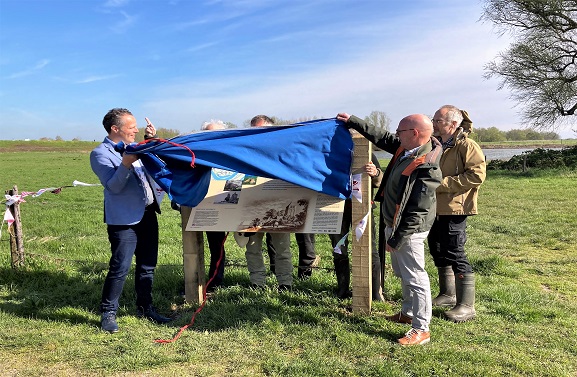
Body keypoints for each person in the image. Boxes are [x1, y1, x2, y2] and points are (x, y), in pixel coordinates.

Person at [337, 112, 442, 346]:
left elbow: (418, 211)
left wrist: (398, 238)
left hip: (407, 230)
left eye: (400, 131)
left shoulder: (427, 166)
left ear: (414, 134)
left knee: (415, 276)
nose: (395, 135)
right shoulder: (405, 150)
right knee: (404, 273)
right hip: (393, 224)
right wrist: (354, 120)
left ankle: (421, 328)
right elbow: (381, 136)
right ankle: (407, 313)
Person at [90, 108, 171, 333]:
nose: (136, 129)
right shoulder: (100, 154)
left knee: (147, 266)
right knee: (120, 268)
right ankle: (108, 313)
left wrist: (150, 140)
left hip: (147, 214)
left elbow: (158, 165)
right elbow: (113, 186)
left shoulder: (137, 148)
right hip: (123, 220)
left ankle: (146, 307)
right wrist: (125, 163)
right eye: (131, 126)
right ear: (115, 129)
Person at [428, 105, 486, 322]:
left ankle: (466, 306)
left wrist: (441, 184)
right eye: (434, 120)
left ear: (453, 124)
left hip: (454, 207)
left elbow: (477, 175)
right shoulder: (435, 143)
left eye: (438, 121)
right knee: (437, 248)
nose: (434, 124)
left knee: (454, 251)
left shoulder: (467, 146)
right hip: (434, 207)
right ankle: (448, 294)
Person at [249, 115, 318, 282]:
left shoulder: (285, 151)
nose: (259, 135)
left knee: (283, 248)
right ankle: (257, 282)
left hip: (280, 205)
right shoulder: (246, 152)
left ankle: (285, 282)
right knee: (252, 248)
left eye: (263, 130)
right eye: (254, 131)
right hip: (251, 207)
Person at [329, 156, 385, 301]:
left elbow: (380, 179)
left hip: (362, 207)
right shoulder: (329, 149)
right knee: (339, 248)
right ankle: (342, 289)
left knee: (370, 248)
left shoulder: (365, 150)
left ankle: (375, 291)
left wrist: (376, 173)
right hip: (334, 208)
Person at [199, 119, 229, 291]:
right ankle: (209, 281)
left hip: (230, 202)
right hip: (205, 205)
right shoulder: (198, 154)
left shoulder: (231, 153)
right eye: (209, 134)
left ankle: (263, 277)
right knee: (213, 244)